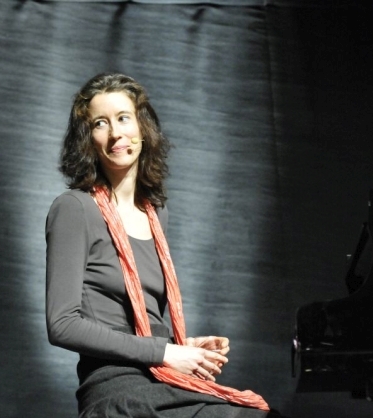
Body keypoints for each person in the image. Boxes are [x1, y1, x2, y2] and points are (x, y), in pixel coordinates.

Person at [46, 73, 278, 417]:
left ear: (142, 128)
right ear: (87, 139)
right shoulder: (75, 208)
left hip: (161, 379)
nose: (115, 133)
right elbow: (62, 324)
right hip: (117, 388)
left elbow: (143, 323)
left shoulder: (155, 213)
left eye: (123, 118)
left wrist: (181, 346)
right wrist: (165, 352)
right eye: (100, 123)